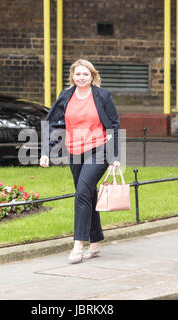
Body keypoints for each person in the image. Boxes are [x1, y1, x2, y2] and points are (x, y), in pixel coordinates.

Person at [40, 59, 121, 264]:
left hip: (100, 149)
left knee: (82, 193)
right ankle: (95, 243)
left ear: (92, 76)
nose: (81, 78)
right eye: (78, 74)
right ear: (72, 76)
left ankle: (78, 244)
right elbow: (51, 123)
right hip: (75, 151)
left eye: (85, 74)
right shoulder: (65, 96)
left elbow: (114, 125)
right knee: (88, 195)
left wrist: (115, 157)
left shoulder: (103, 96)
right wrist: (46, 152)